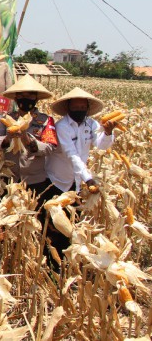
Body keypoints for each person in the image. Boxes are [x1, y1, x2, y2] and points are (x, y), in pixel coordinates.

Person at [43, 87, 116, 263]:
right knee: (54, 226)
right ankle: (52, 263)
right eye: (76, 107)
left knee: (71, 223)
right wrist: (88, 178)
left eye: (83, 107)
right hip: (57, 180)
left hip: (75, 182)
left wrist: (107, 132)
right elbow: (71, 154)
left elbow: (101, 145)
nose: (79, 110)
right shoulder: (62, 126)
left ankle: (66, 261)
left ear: (88, 108)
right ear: (68, 107)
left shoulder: (91, 125)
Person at [0, 75, 58, 193]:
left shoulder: (46, 120)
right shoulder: (6, 119)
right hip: (9, 178)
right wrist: (8, 138)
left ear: (36, 98)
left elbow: (50, 147)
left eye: (30, 95)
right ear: (16, 98)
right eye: (21, 95)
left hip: (35, 181)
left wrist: (27, 139)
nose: (25, 98)